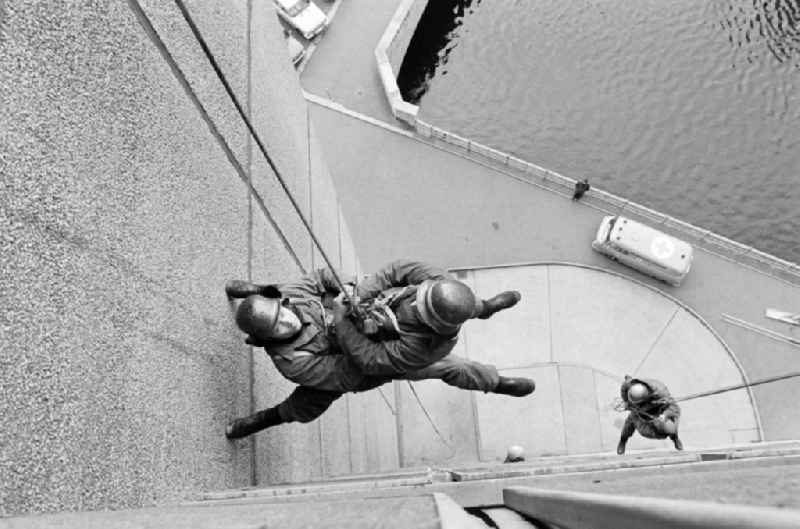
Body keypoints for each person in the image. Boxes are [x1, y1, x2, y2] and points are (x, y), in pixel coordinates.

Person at [224, 259, 536, 439]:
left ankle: (486, 320)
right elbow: (357, 369)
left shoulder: (427, 342)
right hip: (359, 364)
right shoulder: (293, 362)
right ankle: (265, 419)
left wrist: (350, 291)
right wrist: (346, 314)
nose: (287, 322)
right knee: (305, 406)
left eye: (283, 312)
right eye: (277, 327)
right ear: (265, 342)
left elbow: (322, 276)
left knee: (452, 348)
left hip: (367, 328)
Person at [616, 375, 683, 454]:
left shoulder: (661, 392)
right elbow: (624, 391)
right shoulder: (628, 384)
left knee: (669, 426)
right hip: (639, 408)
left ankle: (675, 438)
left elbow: (674, 407)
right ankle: (623, 440)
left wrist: (665, 415)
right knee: (629, 422)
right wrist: (626, 403)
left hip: (657, 409)